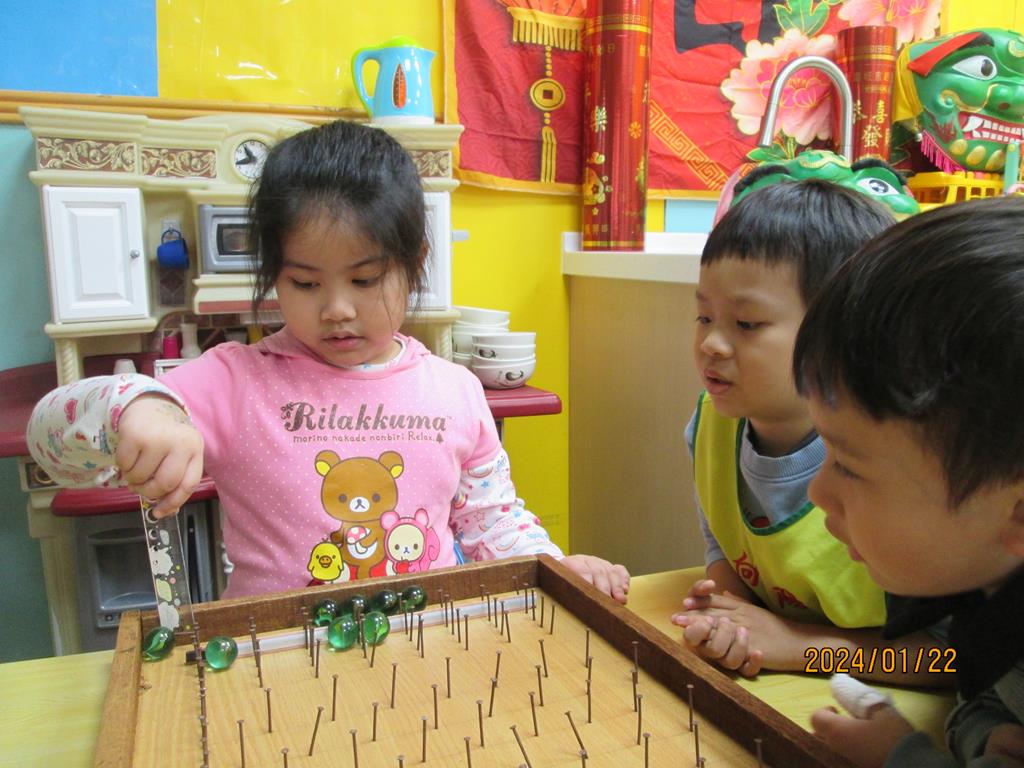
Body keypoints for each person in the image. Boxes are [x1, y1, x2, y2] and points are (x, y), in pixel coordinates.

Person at [27, 120, 629, 602]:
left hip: (432, 656)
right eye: (306, 283)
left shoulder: (456, 389)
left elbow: (491, 523)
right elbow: (49, 439)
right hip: (282, 664)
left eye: (365, 280)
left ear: (415, 262)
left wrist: (555, 566)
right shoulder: (236, 379)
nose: (338, 310)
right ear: (273, 274)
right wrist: (137, 408)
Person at [671, 179, 945, 680]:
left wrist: (801, 648)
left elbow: (950, 660)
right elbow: (723, 548)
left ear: (842, 332)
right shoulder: (710, 425)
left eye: (746, 324)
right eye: (704, 316)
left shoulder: (899, 464)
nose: (711, 343)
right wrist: (730, 616)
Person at [792, 196, 1024, 767]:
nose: (816, 492)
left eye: (848, 465)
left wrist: (902, 756)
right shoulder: (982, 580)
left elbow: (936, 664)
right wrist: (985, 734)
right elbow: (977, 693)